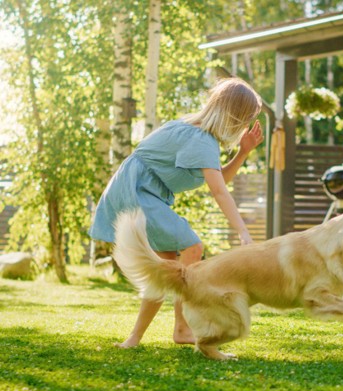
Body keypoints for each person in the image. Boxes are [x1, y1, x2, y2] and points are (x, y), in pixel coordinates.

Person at [89, 77, 264, 349]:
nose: (244, 127)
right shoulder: (201, 139)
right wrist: (242, 232)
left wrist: (243, 153)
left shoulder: (197, 134)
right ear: (235, 115)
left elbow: (218, 181)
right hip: (137, 192)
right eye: (246, 119)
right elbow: (219, 192)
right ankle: (182, 328)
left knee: (168, 268)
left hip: (139, 192)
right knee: (192, 245)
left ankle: (134, 339)